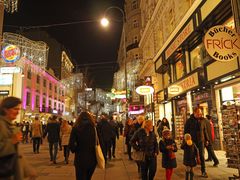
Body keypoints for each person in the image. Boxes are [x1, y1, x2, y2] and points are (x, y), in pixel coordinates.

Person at [0, 96, 37, 180]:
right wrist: (12, 141)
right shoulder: (1, 125)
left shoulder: (10, 125)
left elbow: (17, 153)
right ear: (6, 109)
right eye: (15, 109)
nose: (17, 112)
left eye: (18, 109)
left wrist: (28, 170)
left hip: (11, 171)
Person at [69, 111, 97, 180]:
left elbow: (71, 145)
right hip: (92, 159)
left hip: (80, 159)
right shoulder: (94, 128)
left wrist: (75, 149)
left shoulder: (75, 128)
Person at [184, 107, 209, 178]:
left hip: (201, 140)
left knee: (202, 155)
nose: (199, 114)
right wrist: (187, 140)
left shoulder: (203, 120)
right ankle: (191, 170)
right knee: (192, 156)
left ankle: (203, 171)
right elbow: (186, 132)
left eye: (200, 113)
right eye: (198, 113)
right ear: (194, 113)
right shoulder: (189, 121)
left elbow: (205, 130)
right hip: (192, 141)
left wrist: (207, 140)